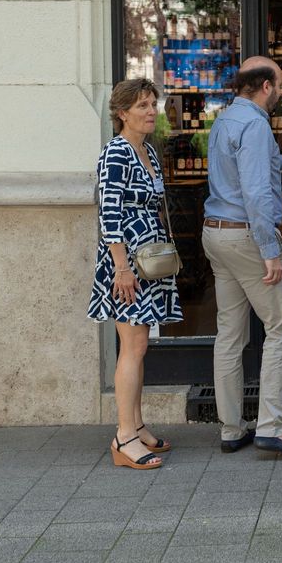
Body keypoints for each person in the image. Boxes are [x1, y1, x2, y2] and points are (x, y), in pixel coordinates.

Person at [203, 56, 282, 458]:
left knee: (230, 334)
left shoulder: (225, 120)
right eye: (281, 85)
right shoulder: (254, 125)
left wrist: (281, 163)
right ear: (266, 86)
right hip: (248, 236)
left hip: (216, 233)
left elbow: (244, 165)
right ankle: (273, 428)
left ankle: (231, 428)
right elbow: (254, 192)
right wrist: (270, 250)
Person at [89, 77, 181, 470]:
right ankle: (124, 437)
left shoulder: (147, 151)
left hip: (148, 258)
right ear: (122, 112)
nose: (151, 111)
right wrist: (122, 268)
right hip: (127, 262)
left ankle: (137, 425)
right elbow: (109, 214)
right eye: (142, 105)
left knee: (140, 345)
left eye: (153, 104)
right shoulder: (116, 153)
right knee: (133, 345)